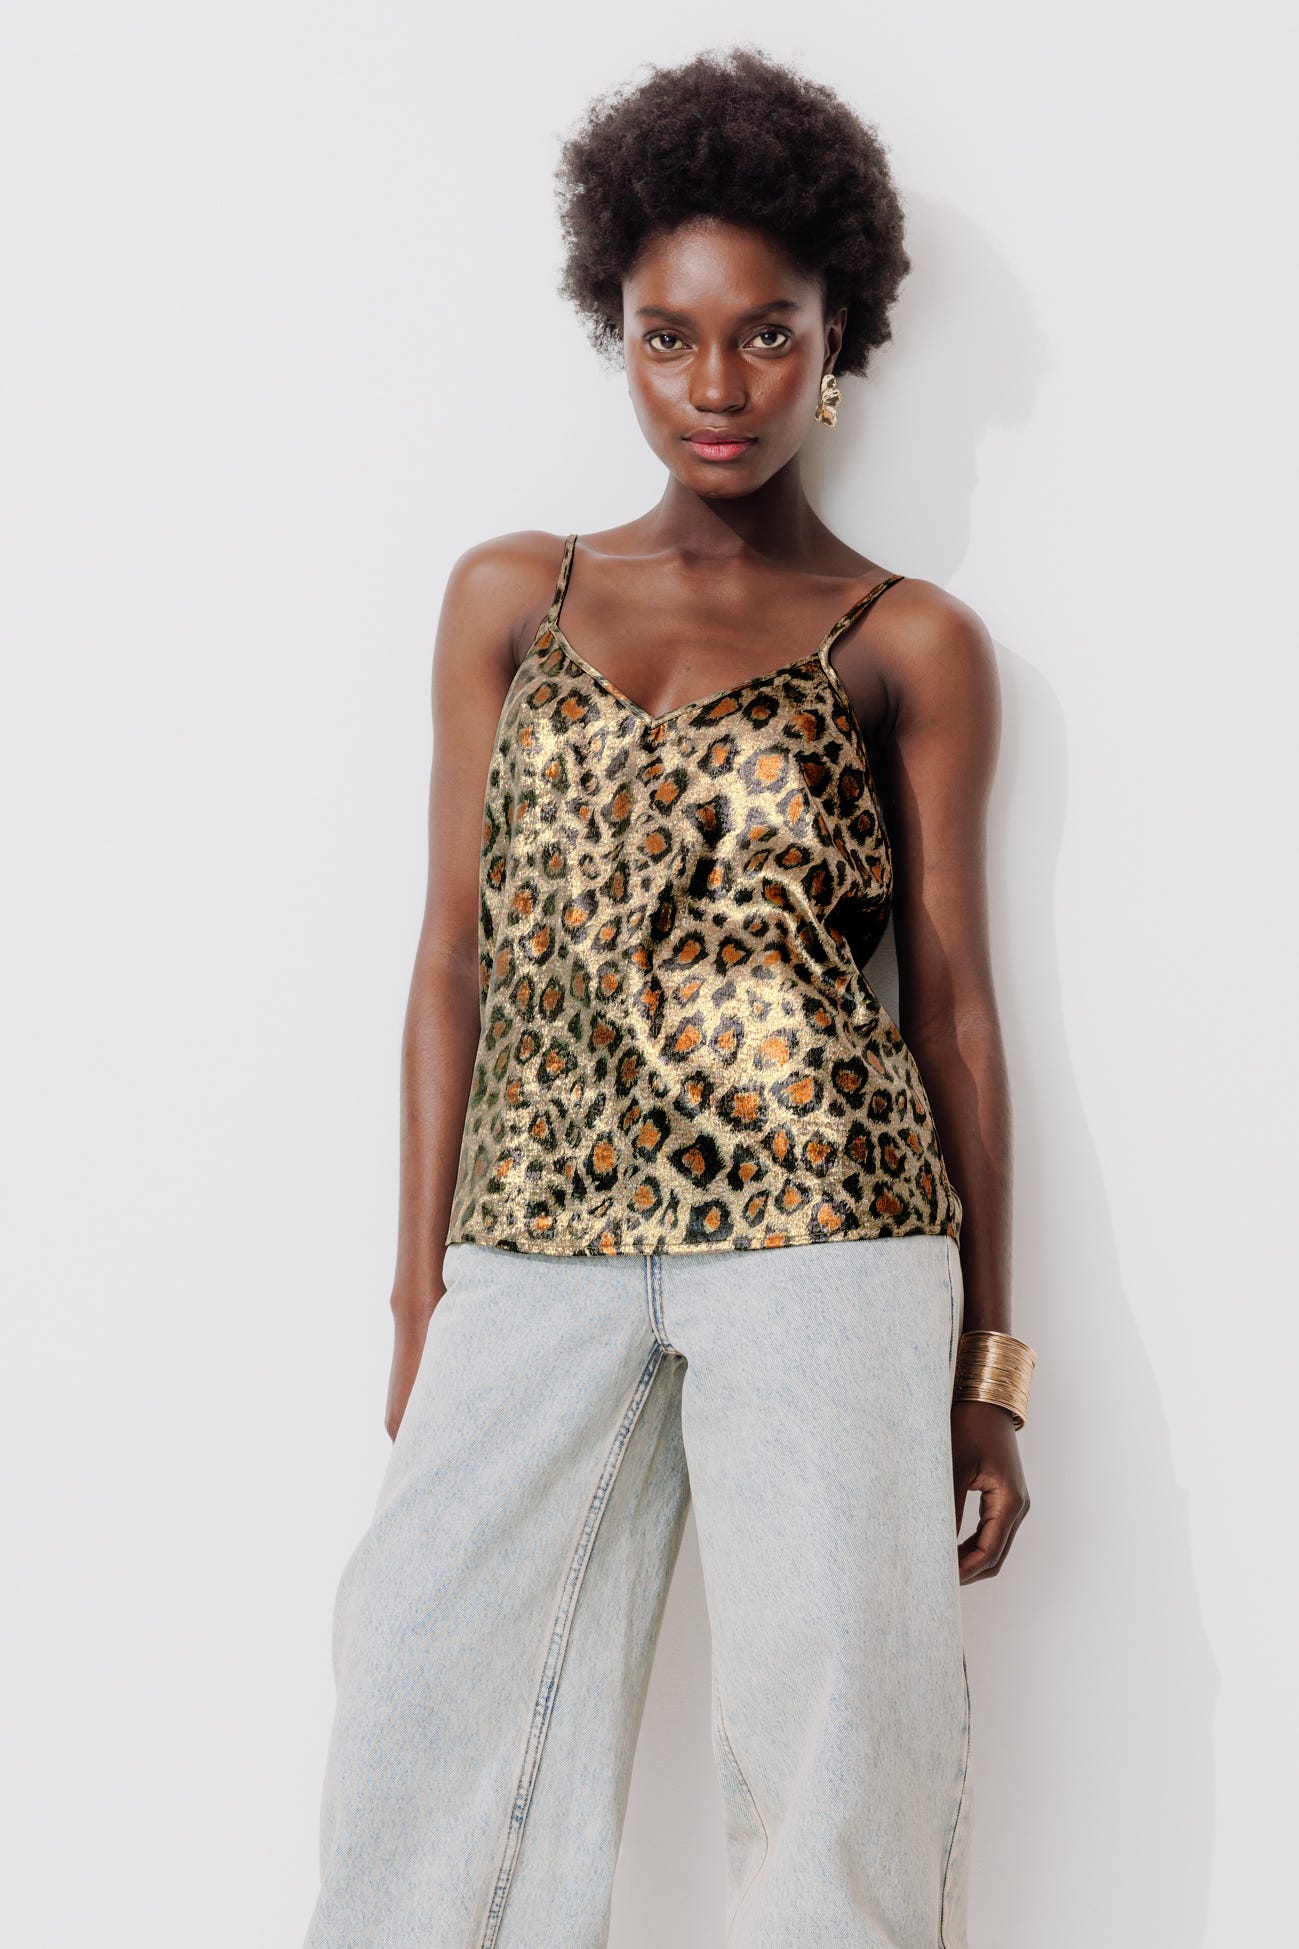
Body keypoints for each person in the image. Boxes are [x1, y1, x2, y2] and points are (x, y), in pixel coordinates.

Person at [303, 44, 1034, 1949]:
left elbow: (954, 1010)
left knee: (840, 1746)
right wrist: (423, 1294)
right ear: (614, 334)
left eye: (768, 334)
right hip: (534, 1238)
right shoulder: (509, 596)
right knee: (421, 1683)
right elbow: (450, 958)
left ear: (837, 339)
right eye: (669, 337)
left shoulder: (909, 638)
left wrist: (992, 1371)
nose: (717, 387)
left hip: (828, 1234)